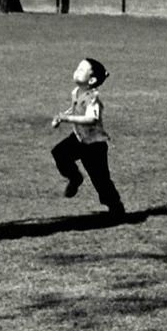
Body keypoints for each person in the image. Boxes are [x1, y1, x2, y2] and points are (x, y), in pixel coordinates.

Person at [50, 58, 125, 217]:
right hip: (79, 138)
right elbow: (74, 107)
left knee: (100, 179)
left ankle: (115, 207)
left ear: (91, 80)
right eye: (77, 68)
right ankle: (75, 177)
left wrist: (67, 119)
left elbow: (92, 119)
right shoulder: (76, 92)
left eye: (81, 70)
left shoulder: (93, 99)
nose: (76, 71)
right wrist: (63, 115)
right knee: (59, 153)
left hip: (94, 145)